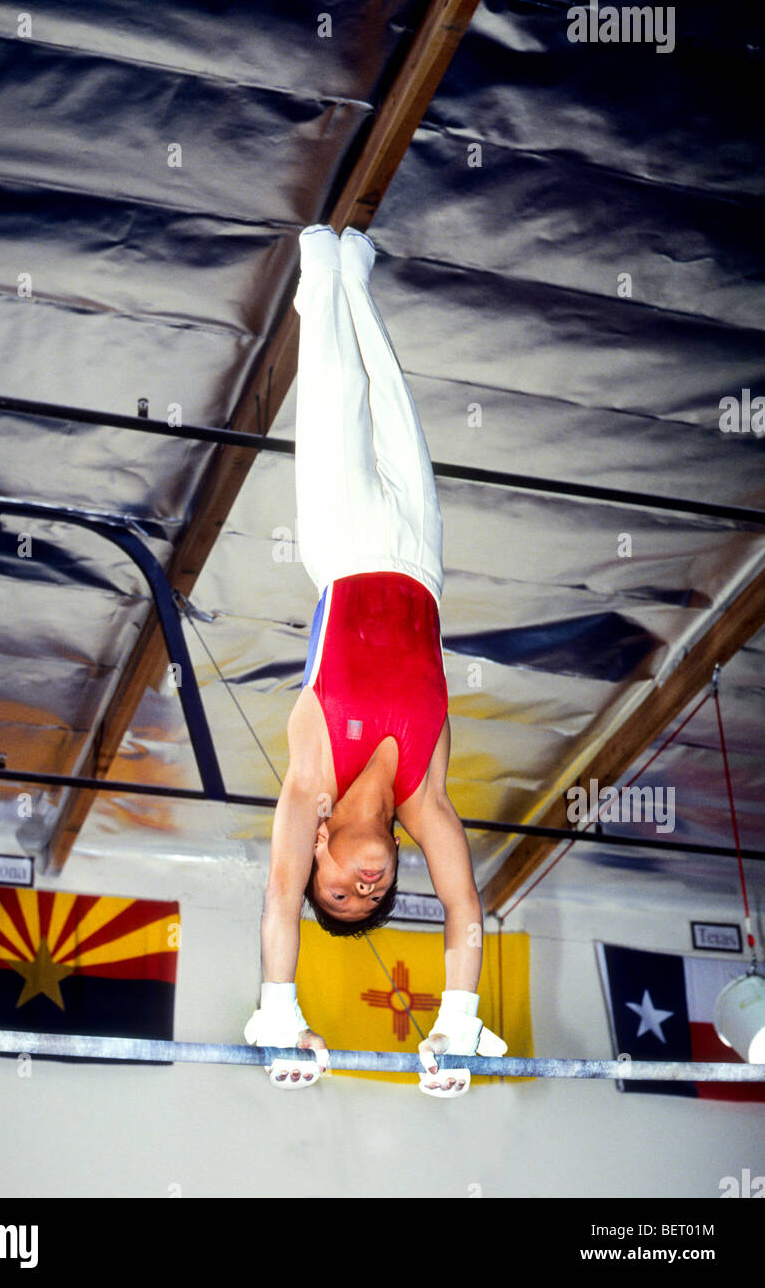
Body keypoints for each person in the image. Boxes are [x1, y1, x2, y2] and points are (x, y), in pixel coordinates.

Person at [244, 225, 506, 1095]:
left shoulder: (310, 785)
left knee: (335, 388)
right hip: (422, 561)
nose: (365, 889)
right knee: (392, 396)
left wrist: (281, 1015)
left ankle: (322, 275)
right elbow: (466, 910)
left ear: (319, 845)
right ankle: (358, 279)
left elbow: (279, 897)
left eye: (343, 894)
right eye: (376, 900)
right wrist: (455, 1026)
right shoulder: (426, 801)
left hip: (347, 549)